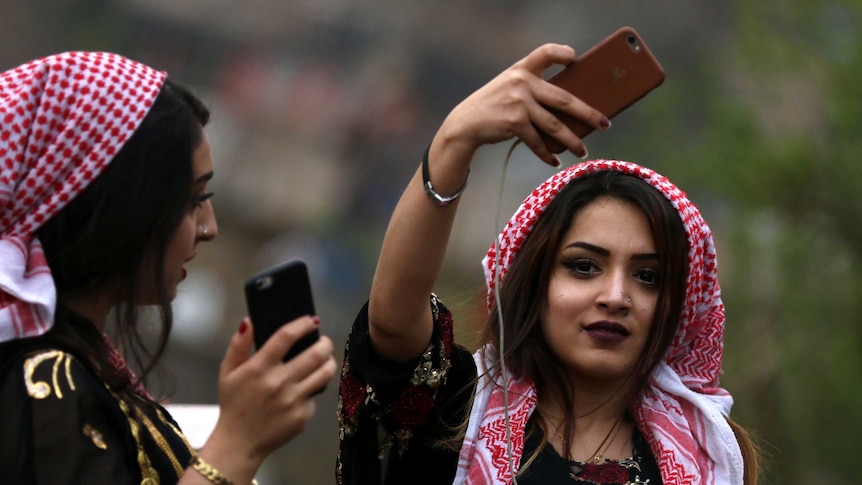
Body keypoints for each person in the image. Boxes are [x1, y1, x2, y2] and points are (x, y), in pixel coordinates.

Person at [336, 43, 758, 484]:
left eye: (648, 277)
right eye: (583, 267)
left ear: (679, 308)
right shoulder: (457, 414)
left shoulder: (710, 454)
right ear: (534, 281)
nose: (616, 297)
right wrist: (455, 140)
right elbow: (392, 324)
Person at [0, 51, 337, 484]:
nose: (209, 228)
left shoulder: (81, 367)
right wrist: (238, 442)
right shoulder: (42, 384)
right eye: (193, 200)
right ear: (118, 206)